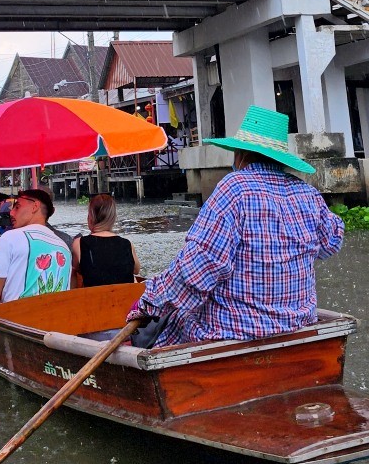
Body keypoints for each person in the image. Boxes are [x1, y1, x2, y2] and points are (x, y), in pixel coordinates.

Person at [128, 106, 343, 348]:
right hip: (296, 325)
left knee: (165, 328)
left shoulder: (234, 188)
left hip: (234, 331)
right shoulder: (308, 194)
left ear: (240, 154)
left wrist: (148, 302)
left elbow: (198, 268)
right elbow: (332, 242)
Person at [0, 188, 71, 309]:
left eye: (17, 207)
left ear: (35, 206)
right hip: (53, 320)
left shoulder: (10, 237)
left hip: (15, 319)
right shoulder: (64, 247)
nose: (11, 213)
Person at [71, 193, 140, 287]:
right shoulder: (127, 244)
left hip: (93, 299)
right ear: (113, 218)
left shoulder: (79, 243)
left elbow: (79, 269)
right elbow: (136, 270)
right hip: (125, 299)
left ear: (90, 217)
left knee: (73, 272)